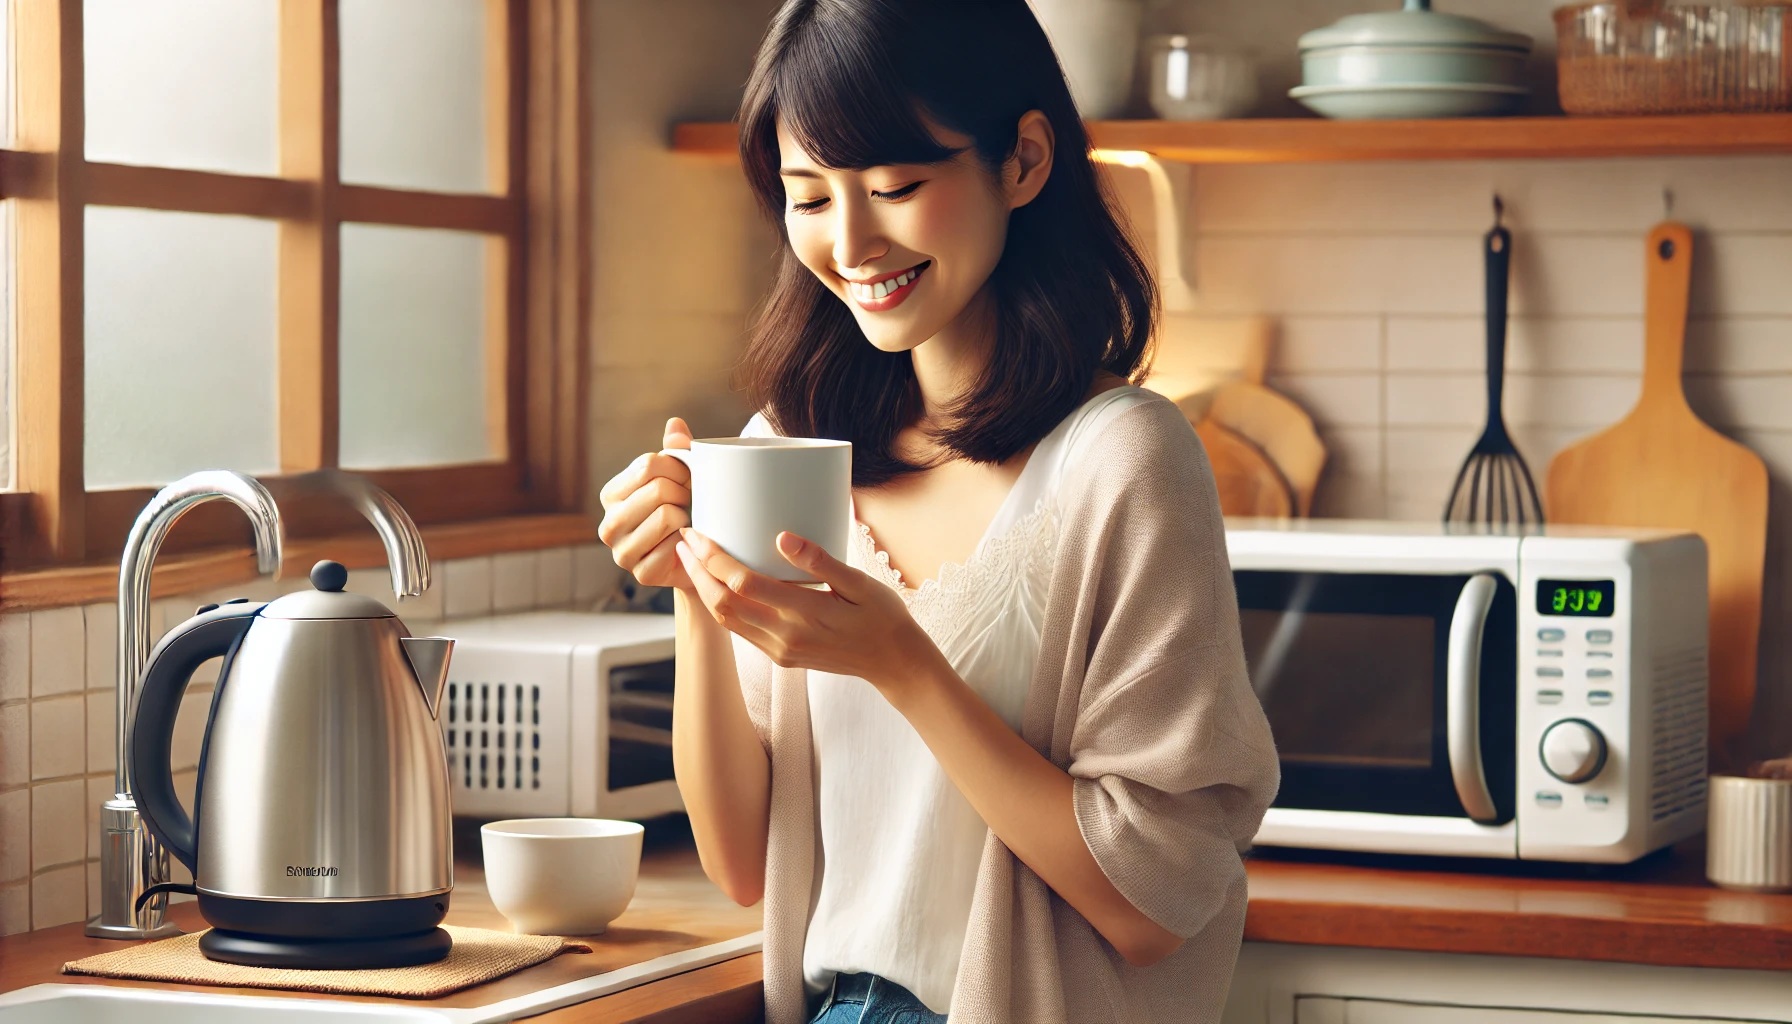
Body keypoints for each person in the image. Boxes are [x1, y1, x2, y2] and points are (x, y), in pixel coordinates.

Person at [596, 1, 1280, 1021]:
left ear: (1023, 160)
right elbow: (741, 863)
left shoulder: (1124, 459)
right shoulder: (785, 447)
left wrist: (903, 665)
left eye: (895, 188)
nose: (851, 243)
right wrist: (695, 584)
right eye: (808, 198)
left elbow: (1154, 903)